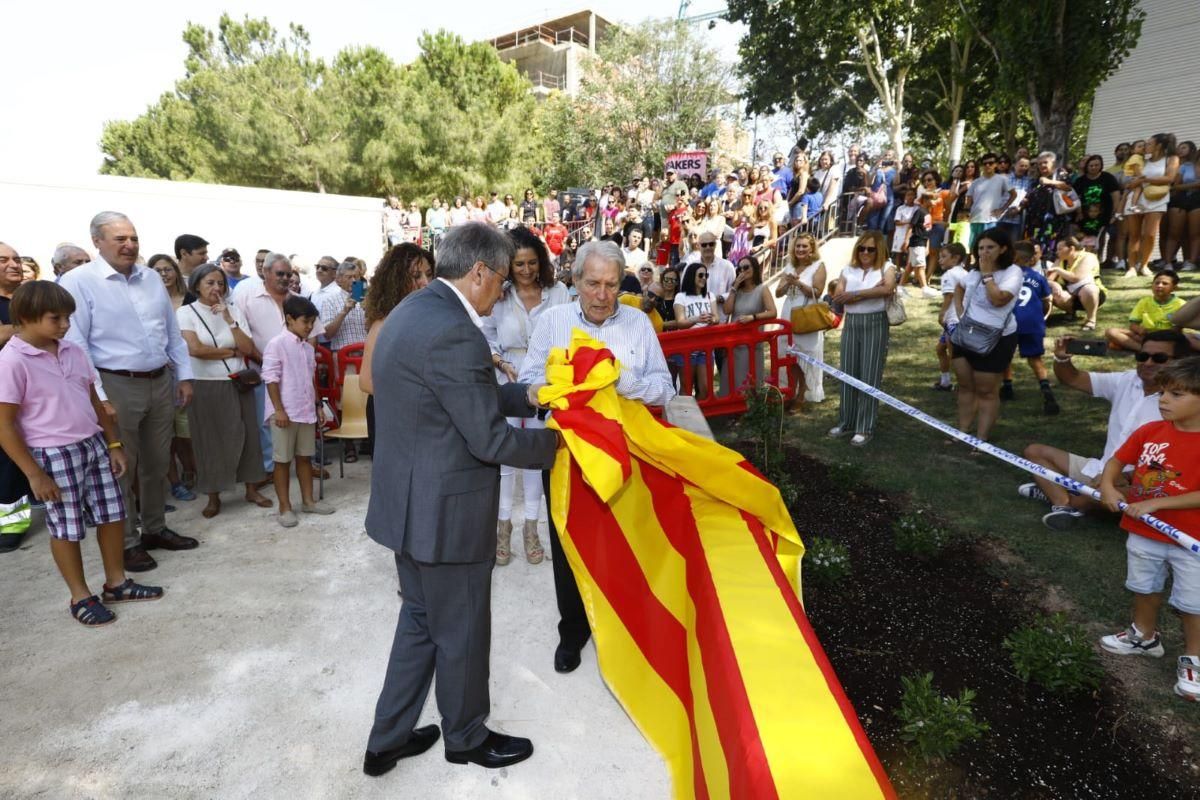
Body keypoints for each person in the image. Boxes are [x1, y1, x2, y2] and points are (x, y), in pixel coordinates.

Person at [362, 222, 559, 776]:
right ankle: (467, 737)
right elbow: (489, 438)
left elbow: (458, 391)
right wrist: (564, 446)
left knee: (420, 624)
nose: (500, 293)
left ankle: (388, 739)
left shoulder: (413, 311)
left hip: (409, 507)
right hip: (446, 514)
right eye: (499, 280)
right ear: (479, 272)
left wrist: (529, 394)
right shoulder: (457, 331)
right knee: (464, 629)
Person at [519, 238, 674, 676]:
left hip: (628, 454)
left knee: (626, 541)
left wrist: (619, 381)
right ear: (575, 281)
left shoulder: (639, 325)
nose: (603, 295)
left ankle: (626, 626)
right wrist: (557, 389)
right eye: (593, 284)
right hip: (568, 457)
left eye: (611, 284)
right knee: (568, 543)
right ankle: (573, 630)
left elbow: (665, 388)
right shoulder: (552, 322)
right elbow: (530, 382)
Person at [0, 280, 164, 624]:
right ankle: (80, 596)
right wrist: (34, 473)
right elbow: (5, 425)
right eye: (55, 318)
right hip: (53, 453)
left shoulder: (72, 350)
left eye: (67, 318)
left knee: (112, 514)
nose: (64, 325)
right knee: (66, 527)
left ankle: (116, 582)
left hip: (93, 444)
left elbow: (94, 399)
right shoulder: (12, 360)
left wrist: (114, 444)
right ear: (26, 317)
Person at [59, 212, 197, 573]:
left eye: (133, 238)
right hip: (115, 384)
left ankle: (154, 528)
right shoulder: (79, 282)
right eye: (119, 238)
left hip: (159, 381)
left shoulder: (151, 278)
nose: (129, 245)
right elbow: (77, 344)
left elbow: (171, 332)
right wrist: (100, 396)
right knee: (122, 466)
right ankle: (127, 542)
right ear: (97, 242)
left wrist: (184, 376)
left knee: (157, 461)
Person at [1097, 357, 1200, 704]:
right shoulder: (1150, 432)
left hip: (1190, 540)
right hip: (1144, 533)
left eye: (1176, 394)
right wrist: (1109, 487)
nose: (1163, 400)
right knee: (1143, 586)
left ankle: (1194, 660)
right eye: (1163, 392)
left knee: (1192, 602)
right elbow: (1116, 460)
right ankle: (1144, 635)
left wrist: (1157, 505)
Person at [1018, 330, 1188, 529]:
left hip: (1141, 482)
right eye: (1142, 356)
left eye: (1159, 358)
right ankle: (1066, 504)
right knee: (1034, 452)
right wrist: (1062, 359)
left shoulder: (1184, 405)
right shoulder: (1126, 380)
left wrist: (1117, 478)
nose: (1148, 363)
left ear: (1181, 362)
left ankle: (1062, 498)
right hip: (1100, 469)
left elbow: (1174, 465)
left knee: (1093, 496)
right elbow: (1073, 379)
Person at [481, 226, 569, 566]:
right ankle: (502, 530)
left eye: (533, 263)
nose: (527, 270)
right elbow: (484, 336)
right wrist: (502, 363)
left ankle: (532, 529)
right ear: (509, 265)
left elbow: (569, 333)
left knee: (535, 456)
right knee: (504, 458)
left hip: (544, 384)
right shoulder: (498, 295)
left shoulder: (559, 292)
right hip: (506, 379)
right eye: (519, 264)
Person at [176, 264, 269, 519]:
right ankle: (213, 496)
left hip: (238, 381)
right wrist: (231, 352)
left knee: (249, 434)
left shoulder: (234, 310)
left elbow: (248, 348)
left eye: (220, 283)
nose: (216, 288)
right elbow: (195, 349)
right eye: (210, 283)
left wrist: (230, 320)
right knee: (210, 439)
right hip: (205, 382)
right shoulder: (186, 312)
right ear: (196, 286)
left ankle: (252, 488)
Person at [236, 253, 325, 475]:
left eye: (288, 274)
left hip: (299, 372)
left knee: (301, 421)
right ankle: (271, 470)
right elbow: (243, 337)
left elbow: (313, 333)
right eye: (280, 273)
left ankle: (305, 464)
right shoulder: (247, 298)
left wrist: (305, 356)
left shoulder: (298, 300)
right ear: (265, 272)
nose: (285, 278)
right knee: (270, 424)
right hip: (262, 370)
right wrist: (267, 361)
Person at [262, 295, 334, 528]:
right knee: (282, 461)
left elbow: (310, 379)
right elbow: (271, 380)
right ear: (290, 319)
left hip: (305, 411)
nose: (310, 326)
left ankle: (308, 501)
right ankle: (284, 507)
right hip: (285, 413)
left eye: (312, 322)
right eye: (306, 321)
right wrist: (279, 410)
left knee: (305, 458)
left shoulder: (306, 348)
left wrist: (317, 405)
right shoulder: (276, 344)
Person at [360, 244, 435, 458]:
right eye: (416, 276)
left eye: (429, 274)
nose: (425, 282)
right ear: (396, 279)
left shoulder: (429, 316)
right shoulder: (383, 323)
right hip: (391, 416)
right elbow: (366, 381)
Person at [950, 228, 1022, 447]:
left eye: (990, 247)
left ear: (1003, 249)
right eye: (981, 248)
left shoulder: (1013, 272)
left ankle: (981, 440)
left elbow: (999, 299)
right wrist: (960, 312)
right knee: (965, 385)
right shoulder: (972, 272)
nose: (984, 252)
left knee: (986, 390)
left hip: (996, 338)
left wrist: (988, 274)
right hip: (966, 334)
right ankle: (962, 432)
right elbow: (959, 288)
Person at [829, 230, 896, 445]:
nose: (865, 252)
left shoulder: (887, 267)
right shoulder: (848, 269)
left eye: (871, 249)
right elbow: (838, 296)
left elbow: (888, 289)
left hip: (875, 322)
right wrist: (870, 291)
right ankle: (846, 421)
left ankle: (865, 427)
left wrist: (856, 294)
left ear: (879, 251)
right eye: (862, 248)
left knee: (870, 373)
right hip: (853, 322)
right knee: (848, 370)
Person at [1001, 240, 1059, 414]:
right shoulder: (1038, 277)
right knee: (1035, 359)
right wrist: (1044, 317)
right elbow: (1048, 300)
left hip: (1010, 322)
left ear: (1015, 257)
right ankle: (1046, 389)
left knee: (1005, 356)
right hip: (1033, 323)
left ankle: (1007, 387)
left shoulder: (1005, 275)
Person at [0, 243, 31, 552]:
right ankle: (11, 522)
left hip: (39, 388)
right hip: (5, 392)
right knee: (8, 459)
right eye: (3, 260)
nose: (13, 264)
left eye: (16, 259)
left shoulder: (28, 297)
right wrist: (25, 328)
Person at [777, 233, 827, 412]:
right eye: (798, 246)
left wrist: (797, 284)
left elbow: (818, 291)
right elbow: (777, 292)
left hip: (806, 315)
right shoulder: (790, 266)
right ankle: (792, 390)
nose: (800, 249)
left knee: (806, 353)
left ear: (812, 248)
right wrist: (786, 284)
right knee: (789, 354)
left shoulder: (818, 266)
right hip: (788, 312)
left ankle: (802, 394)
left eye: (804, 246)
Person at [1124, 133, 1182, 278]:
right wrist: (1134, 182)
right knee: (1134, 235)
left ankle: (1143, 265)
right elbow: (1132, 177)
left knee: (1149, 235)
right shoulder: (1142, 160)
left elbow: (1169, 178)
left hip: (1157, 199)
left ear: (1159, 145)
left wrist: (1143, 180)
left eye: (1149, 143)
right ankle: (1131, 267)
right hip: (1137, 198)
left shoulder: (1171, 159)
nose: (1146, 146)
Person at [723, 254, 777, 394]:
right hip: (734, 343)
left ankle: (749, 410)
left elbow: (772, 312)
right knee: (731, 379)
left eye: (746, 267)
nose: (743, 271)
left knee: (750, 380)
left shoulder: (762, 289)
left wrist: (753, 317)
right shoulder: (737, 291)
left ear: (754, 269)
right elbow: (726, 310)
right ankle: (731, 411)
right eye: (739, 268)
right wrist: (734, 287)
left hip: (752, 345)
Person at [1107, 269, 1185, 351]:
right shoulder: (1144, 301)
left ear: (1174, 288)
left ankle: (1145, 348)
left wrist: (1157, 336)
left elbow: (1176, 330)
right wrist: (1139, 329)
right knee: (1111, 332)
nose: (1159, 286)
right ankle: (1143, 349)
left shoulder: (1181, 304)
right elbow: (1133, 324)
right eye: (1156, 283)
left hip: (1167, 339)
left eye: (1165, 284)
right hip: (1146, 336)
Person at [674, 262, 719, 399]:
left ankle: (698, 416)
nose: (704, 278)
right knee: (686, 388)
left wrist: (712, 319)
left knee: (705, 388)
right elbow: (680, 322)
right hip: (687, 348)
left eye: (706, 275)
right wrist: (697, 319)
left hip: (705, 347)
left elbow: (717, 317)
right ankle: (685, 417)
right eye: (700, 275)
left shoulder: (710, 296)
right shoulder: (681, 297)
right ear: (691, 276)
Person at [931, 243, 971, 391]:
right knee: (940, 349)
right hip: (963, 318)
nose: (940, 260)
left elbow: (949, 296)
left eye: (944, 257)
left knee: (955, 355)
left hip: (954, 320)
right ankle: (945, 381)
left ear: (955, 258)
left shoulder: (949, 274)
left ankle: (964, 386)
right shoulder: (965, 273)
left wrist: (942, 315)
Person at [1046, 235, 1104, 331]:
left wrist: (1057, 269)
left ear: (1071, 249)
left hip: (1092, 294)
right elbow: (1048, 279)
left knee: (1089, 289)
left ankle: (1091, 319)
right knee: (1052, 291)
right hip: (1070, 294)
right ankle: (1070, 312)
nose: (1057, 252)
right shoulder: (1060, 260)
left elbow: (1076, 278)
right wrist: (1054, 284)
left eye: (1060, 249)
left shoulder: (1088, 257)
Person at [965, 153, 1016, 249]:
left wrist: (1002, 209)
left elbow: (1014, 194)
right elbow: (969, 200)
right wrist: (966, 214)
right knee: (972, 247)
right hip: (975, 219)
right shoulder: (976, 182)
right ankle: (972, 264)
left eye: (991, 163)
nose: (987, 165)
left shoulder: (1002, 179)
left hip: (991, 220)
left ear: (995, 164)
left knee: (989, 247)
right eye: (985, 164)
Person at [318, 262, 368, 352]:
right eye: (349, 277)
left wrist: (369, 310)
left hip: (366, 352)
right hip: (343, 355)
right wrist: (344, 312)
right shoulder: (329, 301)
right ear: (338, 280)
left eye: (356, 277)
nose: (353, 281)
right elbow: (327, 335)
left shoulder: (365, 298)